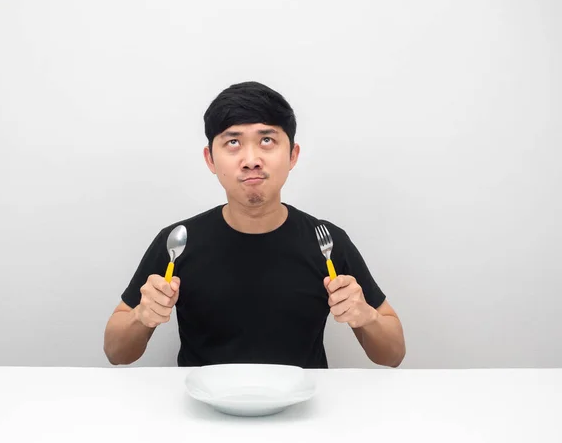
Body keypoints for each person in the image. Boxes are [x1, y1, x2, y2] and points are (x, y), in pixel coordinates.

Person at [103, 81, 406, 368]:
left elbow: (393, 354)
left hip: (302, 414)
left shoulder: (325, 241)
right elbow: (116, 352)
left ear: (292, 155)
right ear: (210, 159)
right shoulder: (178, 242)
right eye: (233, 142)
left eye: (267, 140)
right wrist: (142, 316)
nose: (251, 159)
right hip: (202, 414)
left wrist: (366, 316)